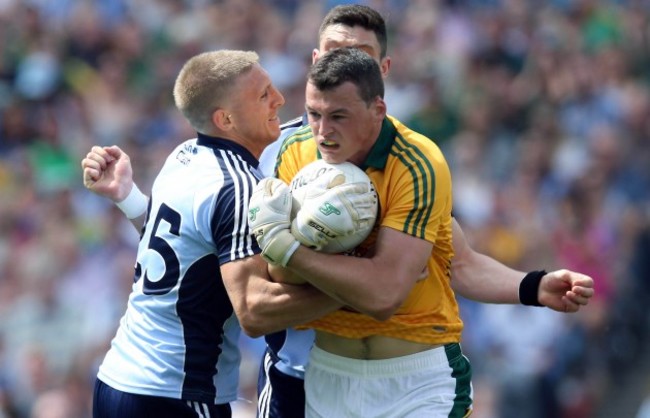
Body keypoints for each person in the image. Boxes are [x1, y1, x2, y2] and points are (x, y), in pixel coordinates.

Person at [83, 5, 594, 418]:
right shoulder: (268, 152)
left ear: (380, 80)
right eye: (332, 56)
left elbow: (454, 258)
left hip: (410, 370)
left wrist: (530, 286)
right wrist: (133, 202)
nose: (342, 68)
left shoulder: (412, 161)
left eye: (360, 60)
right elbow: (204, 244)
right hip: (301, 373)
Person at [82, 50, 344, 418]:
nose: (280, 100)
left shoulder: (183, 155)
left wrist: (128, 199)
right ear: (226, 119)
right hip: (177, 394)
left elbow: (185, 255)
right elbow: (253, 311)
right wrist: (354, 290)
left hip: (117, 381)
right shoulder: (238, 188)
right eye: (263, 94)